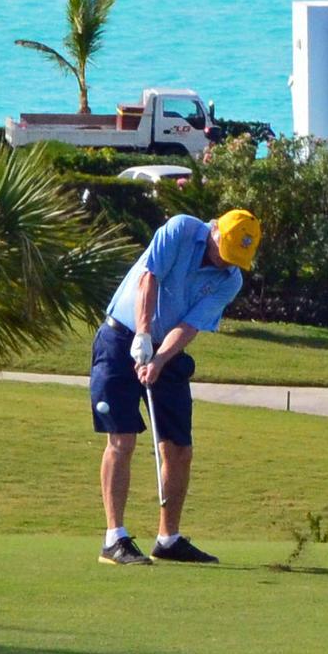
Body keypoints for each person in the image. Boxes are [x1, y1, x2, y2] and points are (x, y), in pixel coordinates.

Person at [94, 208, 258, 567]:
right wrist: (141, 335)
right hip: (120, 337)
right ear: (215, 231)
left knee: (179, 448)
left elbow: (190, 324)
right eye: (222, 253)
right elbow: (149, 279)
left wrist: (159, 359)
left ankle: (168, 539)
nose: (223, 264)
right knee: (122, 441)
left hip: (166, 351)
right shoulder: (181, 230)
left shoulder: (230, 279)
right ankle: (114, 539)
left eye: (233, 260)